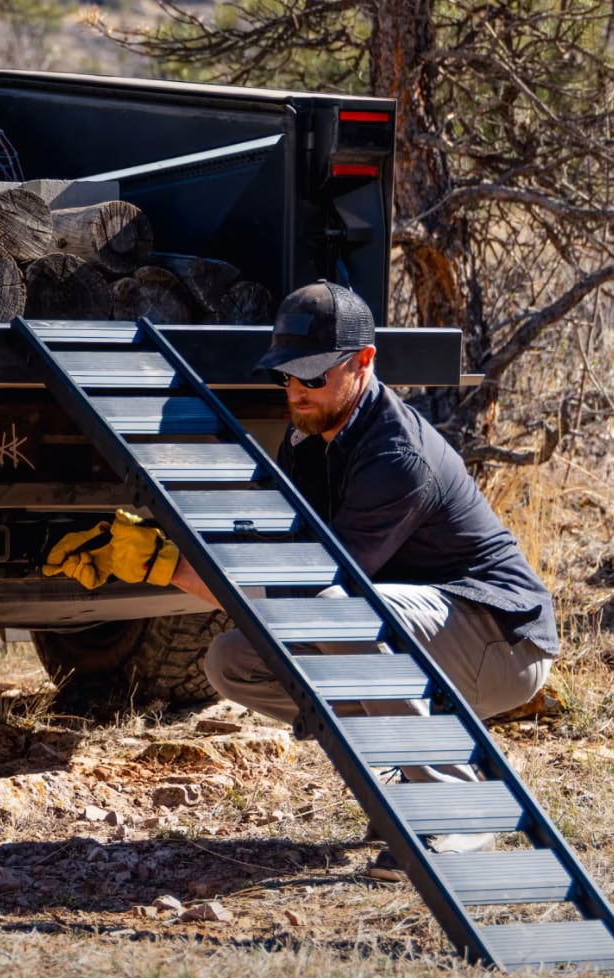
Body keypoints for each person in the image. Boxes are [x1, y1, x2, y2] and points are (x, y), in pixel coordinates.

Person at [42, 280, 557, 880]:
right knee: (233, 660)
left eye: (313, 377)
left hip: (500, 643)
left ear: (363, 362)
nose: (296, 392)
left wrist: (165, 567)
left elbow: (309, 598)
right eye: (286, 375)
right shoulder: (309, 437)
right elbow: (271, 560)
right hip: (424, 632)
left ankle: (462, 809)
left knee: (341, 613)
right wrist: (168, 544)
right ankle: (401, 775)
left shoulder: (398, 458)